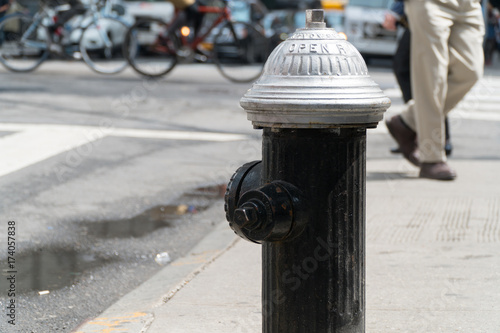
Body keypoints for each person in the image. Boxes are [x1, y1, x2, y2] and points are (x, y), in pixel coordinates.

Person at [385, 0, 484, 181]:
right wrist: (397, 8)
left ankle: (407, 120)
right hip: (429, 3)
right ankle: (431, 158)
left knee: (470, 70)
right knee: (432, 76)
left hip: (467, 4)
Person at [383, 0, 453, 157]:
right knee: (421, 72)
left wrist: (396, 11)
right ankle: (421, 130)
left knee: (423, 72)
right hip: (430, 11)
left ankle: (420, 130)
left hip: (429, 10)